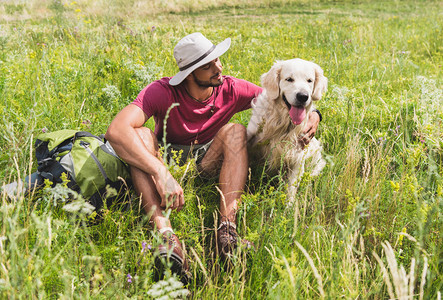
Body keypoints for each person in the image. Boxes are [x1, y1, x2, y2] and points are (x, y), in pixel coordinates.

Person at [105, 32, 321, 281]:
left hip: (206, 161)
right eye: (207, 65)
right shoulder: (161, 91)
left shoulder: (230, 87)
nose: (218, 67)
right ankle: (166, 237)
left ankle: (227, 233)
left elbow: (282, 96)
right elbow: (116, 130)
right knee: (140, 135)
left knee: (236, 131)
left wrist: (315, 115)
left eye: (217, 60)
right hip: (167, 161)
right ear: (189, 73)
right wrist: (160, 171)